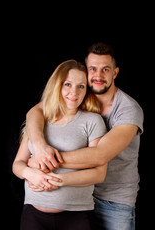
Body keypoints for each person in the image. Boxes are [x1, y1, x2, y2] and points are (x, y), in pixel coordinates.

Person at [25, 42, 144, 230]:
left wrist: (43, 160)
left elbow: (99, 155)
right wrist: (39, 147)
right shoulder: (78, 96)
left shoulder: (128, 109)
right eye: (93, 69)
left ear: (115, 73)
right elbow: (35, 112)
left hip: (114, 200)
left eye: (106, 69)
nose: (98, 75)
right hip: (79, 195)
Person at [12, 59, 107, 230]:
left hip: (75, 215)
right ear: (57, 85)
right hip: (33, 214)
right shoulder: (38, 121)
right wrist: (30, 173)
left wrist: (55, 180)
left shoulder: (92, 121)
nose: (74, 92)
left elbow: (99, 174)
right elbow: (17, 164)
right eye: (68, 84)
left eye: (81, 86)